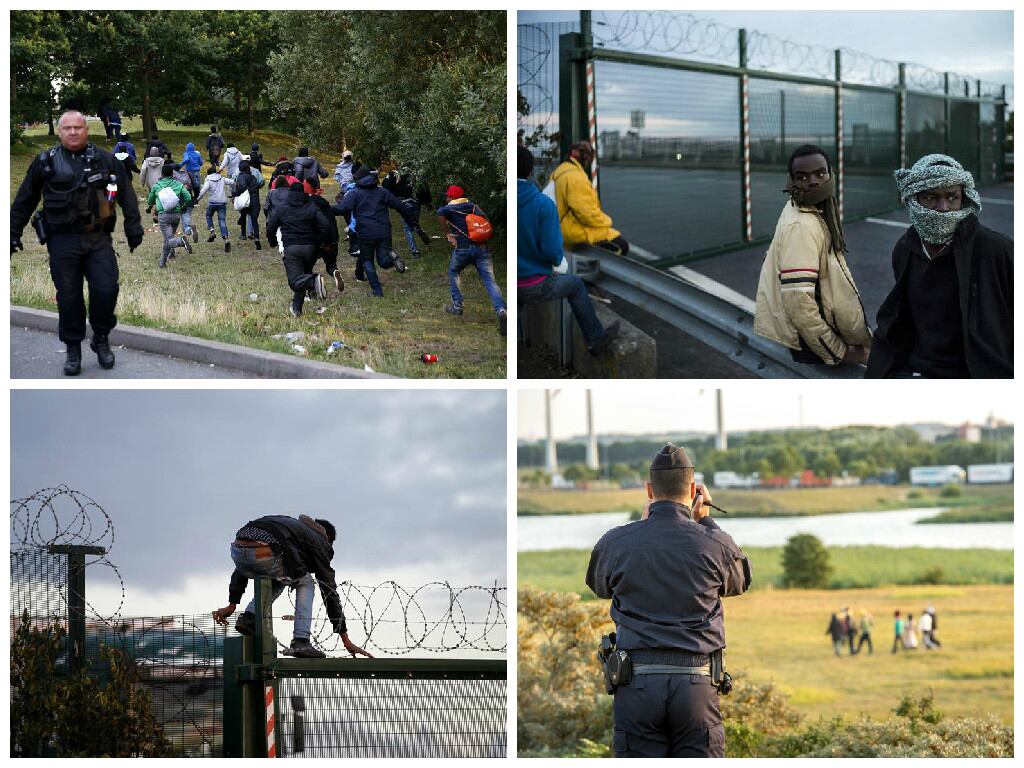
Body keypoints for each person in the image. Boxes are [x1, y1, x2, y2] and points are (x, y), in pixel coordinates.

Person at [586, 444, 751, 758]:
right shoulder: (714, 544)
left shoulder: (616, 542)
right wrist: (706, 522)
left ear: (649, 490)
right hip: (697, 686)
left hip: (636, 686)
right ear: (693, 490)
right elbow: (739, 581)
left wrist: (642, 527)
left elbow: (599, 586)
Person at [10, 110, 143, 375]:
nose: (73, 132)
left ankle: (101, 338)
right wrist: (12, 233)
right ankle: (73, 347)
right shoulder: (45, 162)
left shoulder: (104, 159)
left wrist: (133, 227)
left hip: (98, 239)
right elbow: (25, 200)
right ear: (60, 132)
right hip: (62, 241)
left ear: (86, 130)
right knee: (69, 297)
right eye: (67, 128)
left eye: (78, 127)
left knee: (106, 290)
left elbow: (126, 194)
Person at [866, 154, 1013, 378]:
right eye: (930, 197)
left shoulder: (996, 251)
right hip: (919, 371)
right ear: (914, 198)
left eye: (952, 197)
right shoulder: (905, 249)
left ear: (964, 198)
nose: (943, 207)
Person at [753, 144, 872, 367]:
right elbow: (799, 302)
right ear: (791, 181)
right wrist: (838, 351)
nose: (813, 181)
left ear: (830, 174)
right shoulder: (802, 224)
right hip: (813, 343)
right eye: (802, 177)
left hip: (819, 331)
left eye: (820, 173)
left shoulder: (810, 208)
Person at [211, 514, 372, 660]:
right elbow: (328, 589)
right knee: (306, 582)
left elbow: (243, 566)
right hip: (266, 551)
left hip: (238, 551)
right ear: (328, 538)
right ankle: (301, 640)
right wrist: (345, 638)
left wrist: (232, 604)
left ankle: (249, 618)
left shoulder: (291, 528)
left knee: (282, 577)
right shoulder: (320, 541)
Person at [518, 145, 620, 355]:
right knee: (575, 285)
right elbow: (552, 251)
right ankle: (595, 339)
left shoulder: (558, 174)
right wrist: (559, 262)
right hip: (533, 284)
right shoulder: (543, 204)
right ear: (530, 171)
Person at [437, 184, 507, 335]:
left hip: (463, 249)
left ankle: (457, 306)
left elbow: (439, 213)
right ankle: (501, 310)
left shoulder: (449, 208)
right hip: (482, 248)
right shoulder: (474, 206)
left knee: (454, 271)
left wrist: (447, 233)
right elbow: (486, 221)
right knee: (490, 281)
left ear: (452, 197)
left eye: (448, 196)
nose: (446, 198)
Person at [334, 166, 414, 298]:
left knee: (367, 260)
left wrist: (324, 208)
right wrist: (411, 222)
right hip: (384, 230)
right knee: (383, 262)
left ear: (357, 179)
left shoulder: (354, 193)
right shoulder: (382, 192)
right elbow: (399, 205)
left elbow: (341, 209)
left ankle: (377, 291)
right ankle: (392, 258)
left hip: (365, 233)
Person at [266, 181, 333, 316]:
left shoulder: (282, 207)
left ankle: (313, 281)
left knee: (294, 281)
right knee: (303, 275)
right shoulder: (311, 206)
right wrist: (319, 241)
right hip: (310, 247)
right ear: (303, 192)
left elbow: (271, 227)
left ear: (290, 192)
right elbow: (326, 225)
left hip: (292, 247)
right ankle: (297, 309)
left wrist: (272, 242)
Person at [552, 141, 629, 255]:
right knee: (621, 245)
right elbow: (587, 214)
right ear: (586, 158)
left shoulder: (560, 170)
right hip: (571, 230)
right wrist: (607, 221)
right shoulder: (576, 178)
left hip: (559, 225)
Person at [146, 165, 194, 268]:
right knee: (169, 238)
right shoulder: (178, 184)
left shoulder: (157, 185)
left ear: (162, 174)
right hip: (176, 215)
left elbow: (149, 201)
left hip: (164, 215)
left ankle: (181, 241)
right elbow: (188, 197)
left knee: (168, 240)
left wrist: (155, 201)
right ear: (172, 174)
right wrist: (182, 207)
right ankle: (163, 262)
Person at [383, 168, 429, 258]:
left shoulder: (395, 173)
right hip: (416, 201)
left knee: (407, 228)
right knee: (414, 222)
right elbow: (423, 187)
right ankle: (417, 229)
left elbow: (385, 185)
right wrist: (427, 202)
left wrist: (392, 199)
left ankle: (414, 251)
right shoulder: (415, 171)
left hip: (403, 202)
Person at [195, 165, 235, 252]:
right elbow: (232, 182)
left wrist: (197, 199)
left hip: (212, 203)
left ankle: (212, 230)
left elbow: (203, 190)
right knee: (222, 221)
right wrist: (234, 192)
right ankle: (226, 239)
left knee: (208, 215)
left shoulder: (208, 180)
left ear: (208, 174)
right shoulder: (222, 178)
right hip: (222, 203)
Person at [232, 159, 262, 250]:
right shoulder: (253, 177)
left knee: (243, 216)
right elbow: (257, 186)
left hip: (245, 201)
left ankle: (243, 235)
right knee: (254, 220)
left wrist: (235, 194)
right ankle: (256, 238)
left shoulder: (241, 177)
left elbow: (242, 187)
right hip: (254, 200)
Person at [170, 163, 199, 243]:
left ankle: (172, 237)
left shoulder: (173, 175)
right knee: (186, 220)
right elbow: (193, 185)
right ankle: (190, 229)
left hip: (179, 201)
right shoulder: (186, 173)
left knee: (175, 223)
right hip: (189, 200)